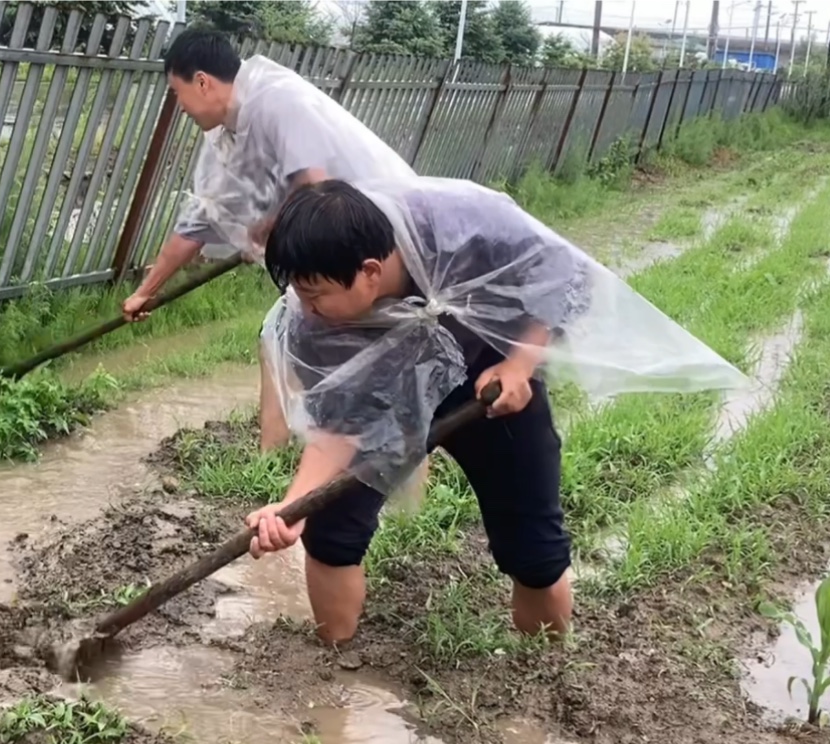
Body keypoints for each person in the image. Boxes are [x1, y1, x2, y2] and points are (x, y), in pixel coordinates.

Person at [246, 178, 585, 644]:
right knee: (330, 531)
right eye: (298, 293)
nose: (305, 308)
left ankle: (547, 667)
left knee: (535, 550)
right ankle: (329, 660)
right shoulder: (313, 322)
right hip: (385, 395)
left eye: (315, 294)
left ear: (369, 271)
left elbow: (557, 272)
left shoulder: (461, 227)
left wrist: (520, 364)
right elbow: (335, 428)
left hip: (486, 380)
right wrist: (294, 506)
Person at [121, 27, 417, 453]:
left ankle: (387, 463)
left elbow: (317, 186)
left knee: (370, 353)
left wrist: (269, 225)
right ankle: (279, 455)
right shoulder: (229, 132)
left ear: (202, 81)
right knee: (281, 337)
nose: (179, 105)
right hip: (334, 250)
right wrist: (145, 292)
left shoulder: (279, 100)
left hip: (378, 243)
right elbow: (198, 220)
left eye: (177, 91)